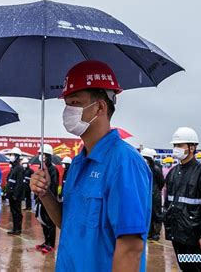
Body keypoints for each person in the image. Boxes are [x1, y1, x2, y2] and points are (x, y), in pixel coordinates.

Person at [30, 60, 152, 271]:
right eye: (67, 103)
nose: (68, 111)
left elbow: (131, 247)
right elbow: (67, 223)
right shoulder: (79, 162)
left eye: (75, 103)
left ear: (100, 107)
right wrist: (45, 194)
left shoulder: (124, 162)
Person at [164, 127, 201, 272]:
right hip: (178, 234)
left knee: (199, 269)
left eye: (179, 145)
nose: (176, 148)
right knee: (185, 268)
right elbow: (168, 204)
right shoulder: (172, 173)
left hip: (195, 237)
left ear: (191, 147)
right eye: (174, 145)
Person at [34, 144, 59, 254]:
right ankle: (46, 241)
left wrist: (48, 195)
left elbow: (53, 186)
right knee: (43, 221)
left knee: (50, 222)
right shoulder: (41, 168)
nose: (41, 157)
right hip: (41, 200)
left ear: (48, 156)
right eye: (40, 154)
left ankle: (51, 244)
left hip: (49, 200)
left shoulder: (53, 169)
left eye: (43, 155)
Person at [141, 148, 164, 241]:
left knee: (156, 214)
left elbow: (161, 182)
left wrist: (156, 190)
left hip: (154, 194)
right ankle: (149, 232)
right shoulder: (141, 168)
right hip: (145, 194)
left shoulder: (155, 169)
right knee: (147, 213)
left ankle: (156, 233)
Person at [6, 147, 25, 235]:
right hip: (11, 194)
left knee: (17, 212)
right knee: (13, 212)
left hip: (15, 195)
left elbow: (19, 183)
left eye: (13, 155)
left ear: (17, 157)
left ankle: (18, 229)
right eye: (11, 155)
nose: (11, 156)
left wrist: (16, 195)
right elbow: (9, 180)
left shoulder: (19, 168)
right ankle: (14, 229)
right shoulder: (13, 167)